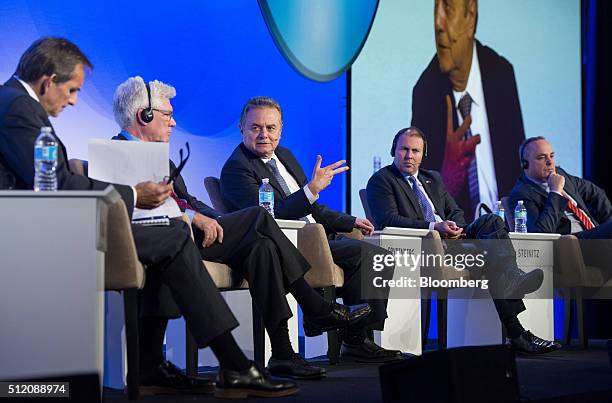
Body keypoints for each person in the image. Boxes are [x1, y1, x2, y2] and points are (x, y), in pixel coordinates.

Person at [0, 37, 301, 398]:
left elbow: (55, 179)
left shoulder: (16, 105)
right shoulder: (18, 108)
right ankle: (235, 365)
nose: (73, 100)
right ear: (48, 81)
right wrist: (132, 195)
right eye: (72, 90)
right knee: (173, 236)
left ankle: (152, 365)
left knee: (170, 235)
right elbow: (55, 183)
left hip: (48, 224)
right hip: (34, 234)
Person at [110, 76, 370, 380]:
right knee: (259, 218)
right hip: (167, 239)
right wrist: (198, 218)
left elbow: (188, 199)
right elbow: (139, 208)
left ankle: (283, 354)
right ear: (145, 115)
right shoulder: (117, 153)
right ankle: (314, 305)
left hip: (193, 231)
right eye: (167, 114)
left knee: (262, 248)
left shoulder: (157, 156)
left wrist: (212, 219)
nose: (173, 121)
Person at [220, 96, 402, 362]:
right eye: (255, 127)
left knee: (379, 256)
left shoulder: (285, 156)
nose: (263, 135)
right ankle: (344, 332)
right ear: (241, 129)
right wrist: (312, 189)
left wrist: (348, 221)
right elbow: (268, 217)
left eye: (270, 128)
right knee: (364, 255)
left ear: (280, 130)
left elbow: (311, 207)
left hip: (315, 237)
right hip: (285, 244)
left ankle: (355, 339)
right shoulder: (237, 169)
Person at [366, 126, 561, 354]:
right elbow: (388, 219)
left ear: (423, 154)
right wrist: (434, 227)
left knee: (491, 222)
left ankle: (513, 280)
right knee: (492, 259)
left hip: (454, 239)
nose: (409, 155)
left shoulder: (433, 179)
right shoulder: (381, 180)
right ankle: (518, 332)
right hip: (424, 247)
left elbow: (455, 210)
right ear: (394, 151)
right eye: (404, 150)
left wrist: (456, 227)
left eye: (415, 151)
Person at [411, 0, 525, 220]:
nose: (438, 25)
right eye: (436, 11)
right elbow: (420, 202)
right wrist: (447, 177)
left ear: (470, 16)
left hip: (510, 228)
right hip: (458, 236)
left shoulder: (501, 74)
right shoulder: (425, 92)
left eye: (448, 10)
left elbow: (518, 167)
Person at [508, 136, 612, 282]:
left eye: (551, 156)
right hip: (568, 247)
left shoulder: (561, 174)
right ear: (525, 164)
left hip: (591, 237)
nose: (550, 162)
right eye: (541, 158)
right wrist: (555, 192)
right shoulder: (522, 194)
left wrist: (605, 227)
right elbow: (540, 234)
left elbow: (596, 194)